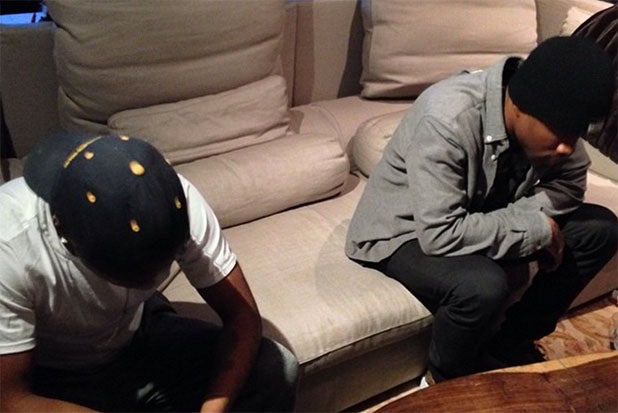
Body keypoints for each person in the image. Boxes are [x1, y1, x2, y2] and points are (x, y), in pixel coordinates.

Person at [345, 36, 616, 385]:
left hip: (479, 214)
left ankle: (508, 347)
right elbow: (440, 233)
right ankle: (445, 379)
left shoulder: (554, 116)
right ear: (519, 106)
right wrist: (536, 228)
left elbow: (568, 188)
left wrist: (524, 220)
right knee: (482, 285)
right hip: (405, 231)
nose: (567, 147)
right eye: (560, 133)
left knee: (600, 229)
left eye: (575, 133)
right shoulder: (447, 118)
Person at [0, 133, 299, 412]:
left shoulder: (171, 198)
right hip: (57, 374)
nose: (156, 280)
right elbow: (9, 398)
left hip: (139, 335)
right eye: (131, 275)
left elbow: (242, 317)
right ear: (68, 238)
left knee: (275, 368)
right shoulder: (10, 243)